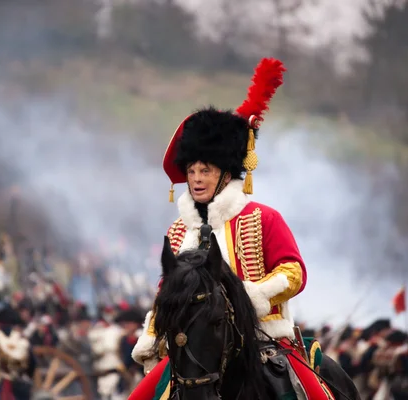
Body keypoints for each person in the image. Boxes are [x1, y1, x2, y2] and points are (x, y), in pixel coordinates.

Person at [130, 58, 334, 399]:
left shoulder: (264, 218)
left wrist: (253, 295)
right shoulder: (179, 230)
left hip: (264, 338)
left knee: (316, 394)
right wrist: (152, 334)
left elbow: (294, 273)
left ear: (225, 174)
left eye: (205, 170)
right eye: (191, 170)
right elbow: (168, 290)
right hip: (194, 348)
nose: (195, 178)